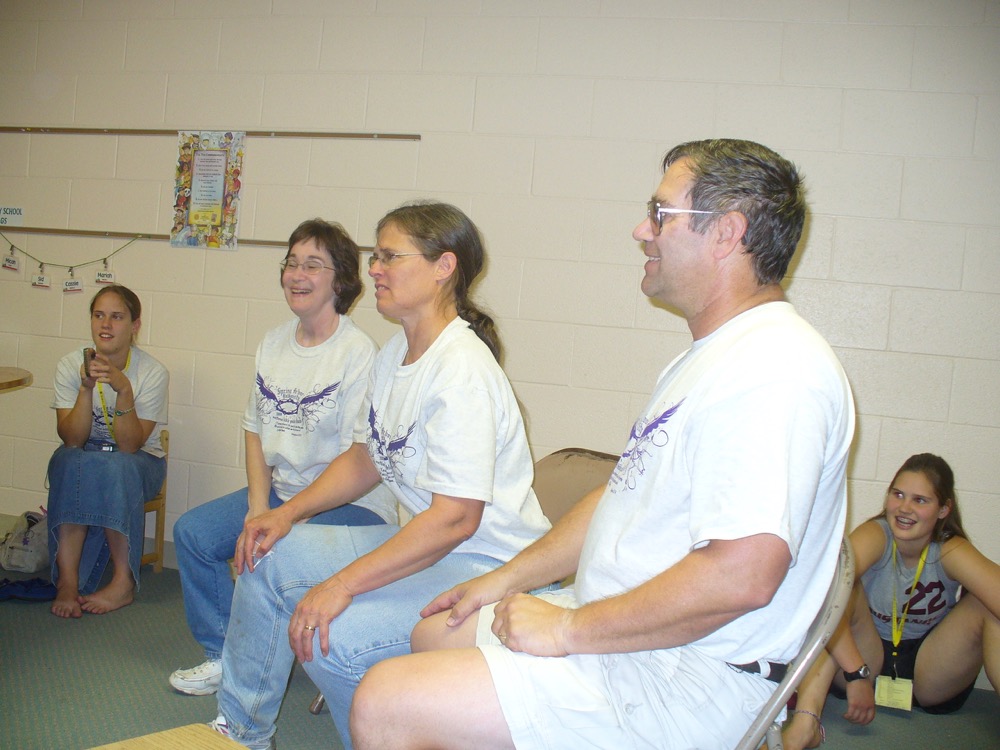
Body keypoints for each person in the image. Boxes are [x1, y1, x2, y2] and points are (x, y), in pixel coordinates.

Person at [349, 138, 856, 750]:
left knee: (385, 703)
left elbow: (741, 577)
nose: (643, 230)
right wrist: (504, 580)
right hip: (636, 640)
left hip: (687, 677)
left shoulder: (775, 368)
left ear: (726, 233)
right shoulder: (710, 358)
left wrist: (568, 630)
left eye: (661, 214)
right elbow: (618, 499)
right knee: (436, 633)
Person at [208, 202, 552, 750]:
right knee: (264, 551)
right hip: (436, 546)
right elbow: (366, 458)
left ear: (443, 267)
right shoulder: (395, 353)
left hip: (489, 562)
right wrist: (285, 513)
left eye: (390, 257)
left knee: (334, 639)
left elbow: (456, 519)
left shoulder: (461, 370)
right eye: (376, 257)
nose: (374, 269)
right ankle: (241, 733)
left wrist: (340, 585)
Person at [168, 219, 397, 697]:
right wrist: (258, 507)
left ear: (341, 281)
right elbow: (253, 429)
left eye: (312, 265)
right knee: (193, 534)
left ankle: (259, 668)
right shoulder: (272, 343)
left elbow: (357, 459)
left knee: (272, 551)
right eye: (292, 263)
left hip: (351, 505)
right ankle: (223, 655)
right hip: (281, 495)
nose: (297, 275)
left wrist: (285, 517)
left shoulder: (358, 352)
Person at [781, 453, 1000, 750]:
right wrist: (855, 671)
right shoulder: (877, 534)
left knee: (985, 604)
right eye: (898, 494)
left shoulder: (949, 548)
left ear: (943, 509)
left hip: (931, 667)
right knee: (842, 588)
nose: (904, 508)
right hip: (866, 656)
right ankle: (805, 723)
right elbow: (820, 591)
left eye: (920, 500)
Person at [48, 284, 169, 618]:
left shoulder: (152, 372)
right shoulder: (69, 364)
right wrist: (85, 389)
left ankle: (122, 582)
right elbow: (72, 439)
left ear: (134, 325)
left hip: (139, 462)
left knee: (118, 464)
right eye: (99, 315)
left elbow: (130, 446)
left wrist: (124, 389)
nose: (106, 324)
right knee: (67, 460)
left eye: (117, 317)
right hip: (86, 455)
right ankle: (68, 582)